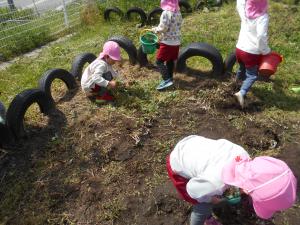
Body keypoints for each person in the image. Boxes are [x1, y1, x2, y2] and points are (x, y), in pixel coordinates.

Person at [167, 135, 297, 225]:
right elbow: (192, 189)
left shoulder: (243, 155)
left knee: (208, 188)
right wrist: (212, 199)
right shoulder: (215, 183)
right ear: (246, 189)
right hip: (178, 164)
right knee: (202, 205)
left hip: (193, 144)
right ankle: (202, 219)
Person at [234, 0, 271, 108]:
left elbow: (239, 3)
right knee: (252, 75)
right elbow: (261, 37)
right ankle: (241, 93)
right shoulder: (262, 17)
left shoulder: (244, 12)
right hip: (250, 53)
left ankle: (236, 84)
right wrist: (265, 50)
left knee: (241, 68)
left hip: (239, 48)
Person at [151, 0, 183, 91]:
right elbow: (180, 25)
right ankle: (170, 78)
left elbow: (163, 28)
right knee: (170, 61)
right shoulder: (178, 12)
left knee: (159, 61)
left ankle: (167, 80)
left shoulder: (166, 13)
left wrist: (154, 30)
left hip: (168, 42)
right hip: (176, 42)